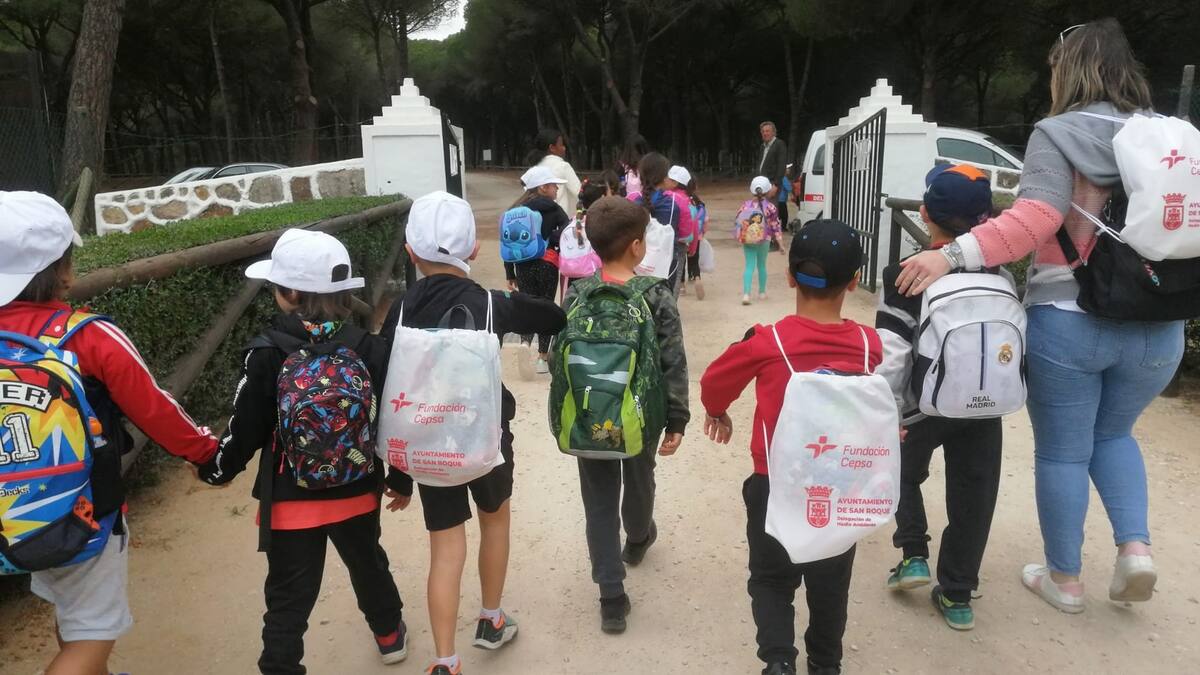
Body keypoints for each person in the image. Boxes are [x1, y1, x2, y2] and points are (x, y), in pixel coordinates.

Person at [892, 18, 1178, 613]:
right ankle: (1135, 551)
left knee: (1066, 452)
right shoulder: (1172, 137)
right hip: (1163, 320)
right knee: (1117, 435)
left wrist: (951, 254)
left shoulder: (1060, 133)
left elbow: (1037, 220)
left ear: (1067, 70)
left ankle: (1065, 581)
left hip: (1073, 319)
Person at [0, 191, 220, 675]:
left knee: (72, 612)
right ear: (62, 268)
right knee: (91, 634)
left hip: (8, 518)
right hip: (82, 515)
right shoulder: (86, 334)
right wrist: (205, 452)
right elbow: (155, 406)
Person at [198, 229, 408, 674]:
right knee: (368, 563)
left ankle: (280, 666)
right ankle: (390, 636)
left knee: (288, 596)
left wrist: (219, 469)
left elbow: (247, 427)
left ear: (290, 292)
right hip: (357, 487)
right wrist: (400, 478)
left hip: (290, 499)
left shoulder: (266, 352)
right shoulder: (369, 347)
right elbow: (390, 422)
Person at [381, 191, 566, 675]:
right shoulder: (489, 304)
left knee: (444, 547)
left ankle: (445, 660)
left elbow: (387, 387)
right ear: (475, 251)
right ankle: (491, 619)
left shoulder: (398, 311)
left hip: (425, 446)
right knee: (495, 521)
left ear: (409, 249)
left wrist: (398, 474)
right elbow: (551, 316)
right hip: (485, 442)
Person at [701, 219, 882, 675]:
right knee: (830, 584)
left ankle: (779, 661)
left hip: (775, 484)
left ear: (789, 276)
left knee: (770, 578)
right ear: (855, 280)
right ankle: (826, 664)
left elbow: (714, 382)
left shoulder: (768, 341)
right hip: (838, 489)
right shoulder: (867, 345)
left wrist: (717, 411)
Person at [876, 164, 1006, 631]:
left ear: (925, 213)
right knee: (975, 494)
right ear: (987, 217)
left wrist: (887, 410)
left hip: (921, 405)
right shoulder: (999, 270)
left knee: (901, 476)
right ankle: (956, 594)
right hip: (984, 404)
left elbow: (892, 354)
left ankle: (913, 554)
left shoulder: (904, 274)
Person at [562, 196, 689, 634]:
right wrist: (677, 418)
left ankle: (612, 598)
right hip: (642, 413)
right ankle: (637, 538)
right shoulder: (655, 294)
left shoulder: (578, 292)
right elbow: (673, 359)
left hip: (589, 412)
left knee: (598, 501)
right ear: (637, 246)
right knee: (639, 478)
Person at [504, 165, 571, 377]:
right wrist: (550, 240)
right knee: (545, 307)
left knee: (527, 306)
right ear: (542, 187)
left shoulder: (514, 210)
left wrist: (510, 273)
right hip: (548, 264)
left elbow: (508, 243)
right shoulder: (554, 209)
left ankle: (524, 343)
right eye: (554, 186)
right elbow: (565, 233)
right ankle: (542, 358)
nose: (557, 191)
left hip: (522, 265)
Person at [632, 153, 697, 294]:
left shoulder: (631, 201)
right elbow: (686, 234)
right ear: (663, 177)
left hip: (637, 263)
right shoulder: (675, 203)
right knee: (666, 303)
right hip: (666, 264)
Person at [736, 176, 786, 305]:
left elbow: (739, 222)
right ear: (768, 190)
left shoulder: (745, 206)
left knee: (749, 266)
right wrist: (781, 244)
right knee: (762, 265)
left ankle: (746, 294)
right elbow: (776, 226)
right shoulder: (771, 207)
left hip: (748, 240)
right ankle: (762, 292)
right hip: (765, 239)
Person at [528, 128, 582, 215]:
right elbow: (579, 192)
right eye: (561, 145)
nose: (564, 148)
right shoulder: (563, 166)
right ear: (552, 148)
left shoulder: (534, 168)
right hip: (560, 219)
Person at [681, 177, 708, 300]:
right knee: (694, 260)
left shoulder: (681, 201)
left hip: (683, 236)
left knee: (682, 262)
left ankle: (682, 286)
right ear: (695, 187)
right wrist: (702, 233)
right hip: (696, 237)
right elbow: (706, 221)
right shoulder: (698, 203)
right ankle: (697, 278)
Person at [757, 121, 789, 200]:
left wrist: (776, 185)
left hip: (772, 184)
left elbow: (781, 167)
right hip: (761, 184)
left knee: (771, 210)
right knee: (763, 210)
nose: (765, 133)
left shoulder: (779, 144)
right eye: (763, 131)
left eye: (767, 131)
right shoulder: (762, 146)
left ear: (774, 132)